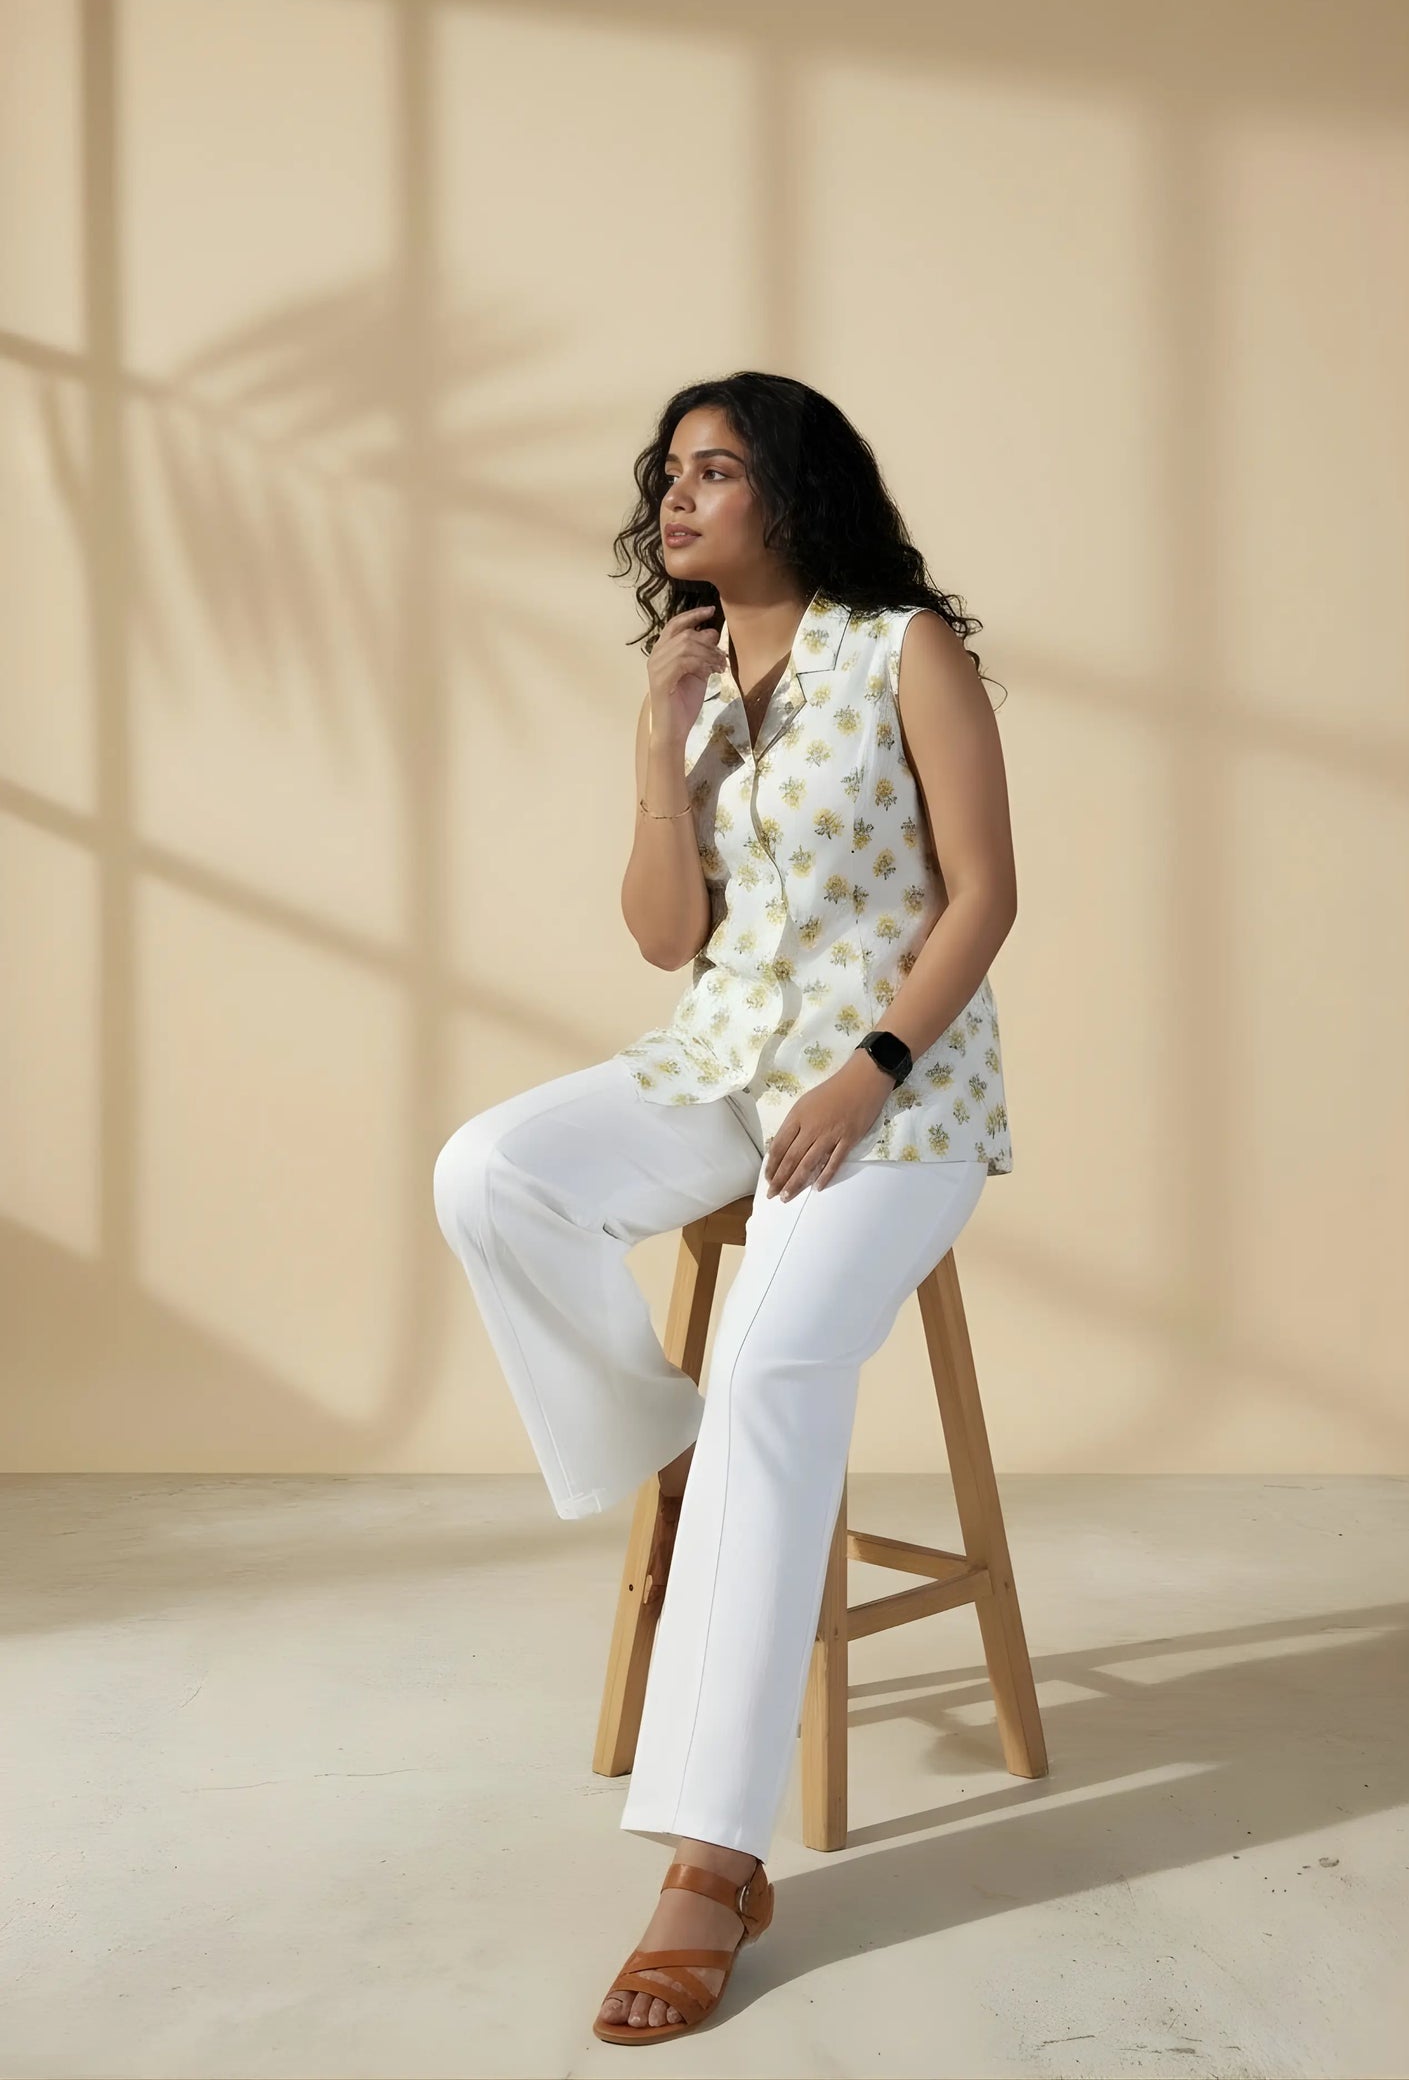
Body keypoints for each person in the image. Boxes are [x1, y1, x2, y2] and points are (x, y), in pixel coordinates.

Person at [432, 370, 1017, 2041]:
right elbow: (662, 940)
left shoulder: (903, 646)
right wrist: (651, 748)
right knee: (491, 1170)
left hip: (900, 1103)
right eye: (667, 474)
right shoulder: (690, 679)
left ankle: (710, 1862)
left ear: (794, 492)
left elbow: (985, 892)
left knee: (775, 1373)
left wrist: (874, 1067)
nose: (676, 499)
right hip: (719, 1062)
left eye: (714, 471)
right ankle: (669, 1457)